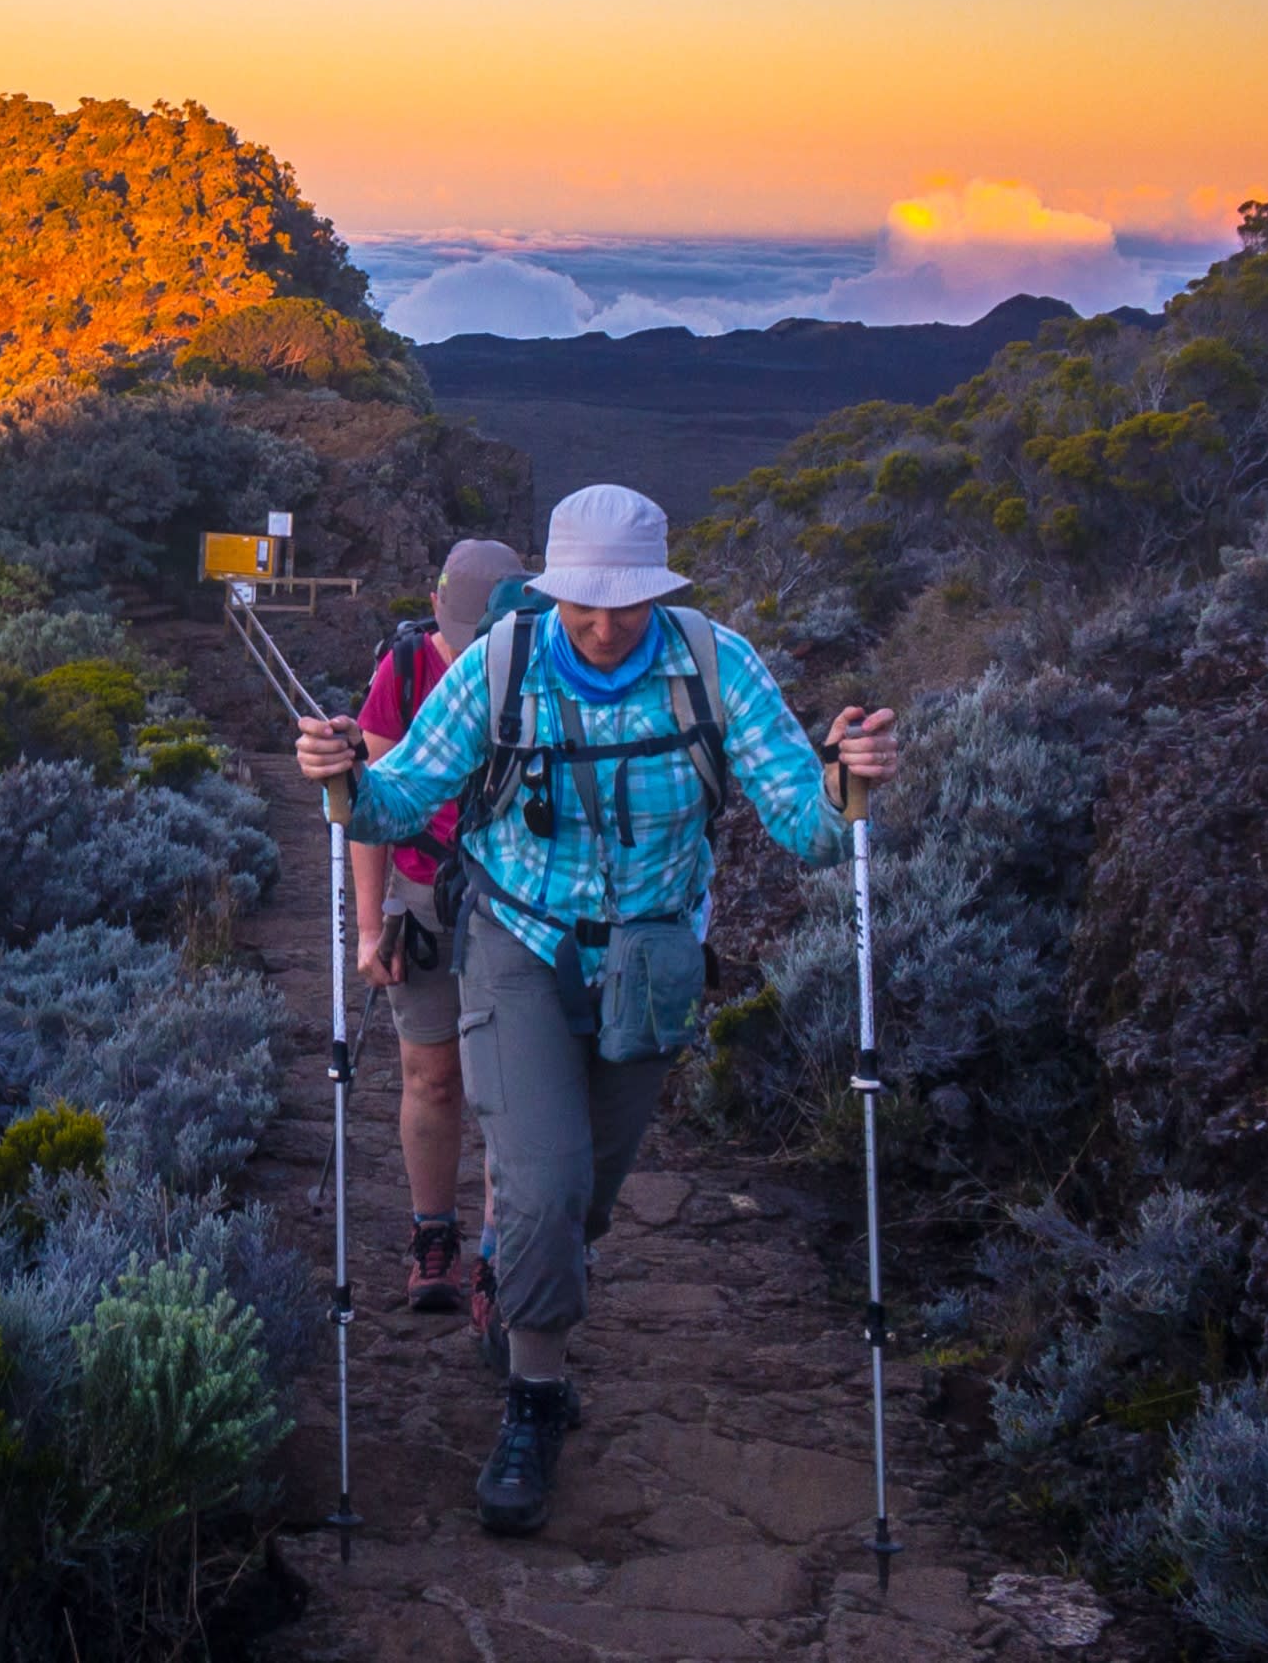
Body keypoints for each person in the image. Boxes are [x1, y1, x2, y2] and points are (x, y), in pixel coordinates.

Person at [297, 484, 899, 1537]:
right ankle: (534, 1398)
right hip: (516, 946)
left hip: (652, 961)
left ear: (662, 592)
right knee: (543, 1184)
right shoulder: (500, 665)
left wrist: (850, 781)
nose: (607, 624)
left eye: (628, 603)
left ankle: (525, 1285)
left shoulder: (715, 666)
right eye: (586, 603)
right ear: (553, 591)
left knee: (582, 1204)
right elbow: (400, 801)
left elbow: (807, 825)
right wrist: (345, 775)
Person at [353, 539, 525, 1344]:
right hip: (422, 903)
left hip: (516, 904)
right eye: (454, 626)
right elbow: (371, 803)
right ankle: (434, 1237)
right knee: (431, 1075)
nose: (462, 646)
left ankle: (499, 1254)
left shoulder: (539, 668)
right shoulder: (409, 669)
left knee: (511, 1088)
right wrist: (368, 924)